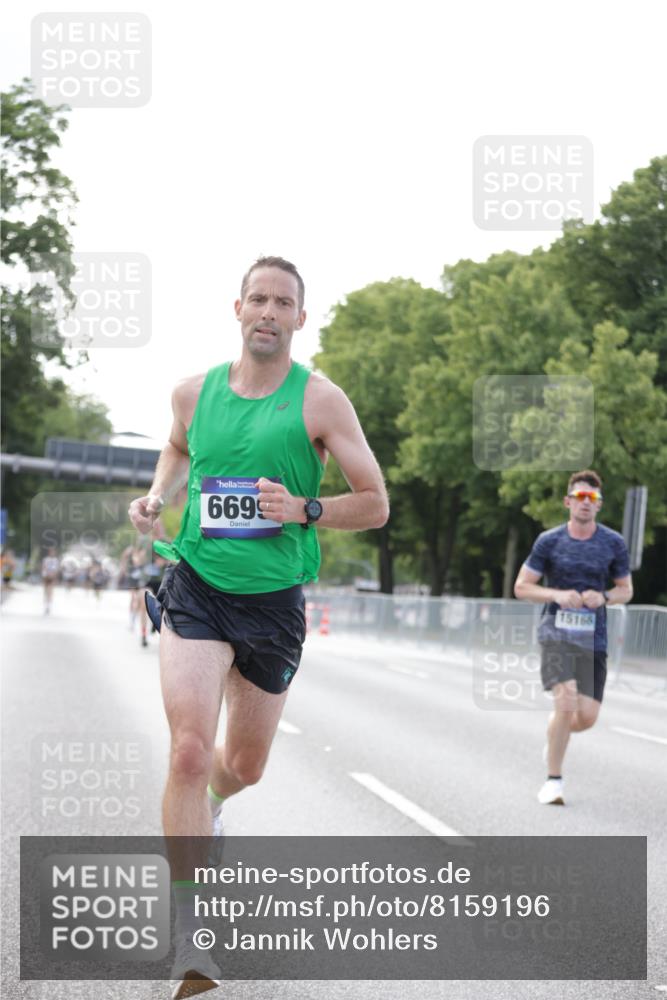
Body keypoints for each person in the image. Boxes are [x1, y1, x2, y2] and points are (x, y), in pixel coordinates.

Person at [128, 256, 389, 997]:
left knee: (242, 766)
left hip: (273, 604)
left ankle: (213, 806)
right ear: (237, 308)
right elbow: (178, 447)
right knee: (187, 750)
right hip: (197, 587)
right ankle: (190, 939)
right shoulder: (192, 393)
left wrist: (306, 509)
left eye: (283, 303)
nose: (268, 312)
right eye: (258, 299)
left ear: (300, 318)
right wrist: (158, 494)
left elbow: (375, 503)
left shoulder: (322, 402)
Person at [514, 470, 632, 806]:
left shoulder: (613, 543)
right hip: (556, 634)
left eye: (592, 498)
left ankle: (556, 734)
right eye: (579, 497)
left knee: (587, 718)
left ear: (599, 505)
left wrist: (604, 597)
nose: (585, 503)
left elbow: (626, 590)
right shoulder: (549, 541)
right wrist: (557, 594)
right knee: (565, 701)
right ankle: (553, 781)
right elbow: (522, 587)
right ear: (568, 502)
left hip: (593, 640)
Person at [41, 547, 60, 615]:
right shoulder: (46, 559)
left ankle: (48, 606)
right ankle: (46, 603)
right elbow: (44, 567)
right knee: (46, 591)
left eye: (53, 552)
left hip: (52, 576)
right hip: (46, 576)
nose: (52, 553)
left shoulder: (56, 560)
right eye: (51, 552)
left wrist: (54, 575)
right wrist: (47, 573)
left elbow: (57, 569)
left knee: (50, 591)